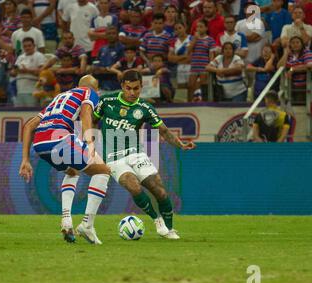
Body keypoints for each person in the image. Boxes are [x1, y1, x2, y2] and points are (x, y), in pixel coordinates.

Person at [93, 70, 196, 239]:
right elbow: (91, 121)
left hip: (136, 153)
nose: (132, 93)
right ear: (122, 87)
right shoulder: (106, 101)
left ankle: (170, 229)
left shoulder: (145, 107)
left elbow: (163, 130)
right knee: (133, 185)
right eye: (128, 88)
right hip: (113, 157)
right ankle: (157, 221)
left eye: (136, 89)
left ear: (141, 87)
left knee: (160, 191)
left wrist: (181, 145)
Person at [19, 75, 111, 244]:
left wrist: (25, 159)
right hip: (60, 139)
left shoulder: (58, 97)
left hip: (40, 144)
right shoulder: (89, 92)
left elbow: (29, 126)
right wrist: (89, 141)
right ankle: (87, 225)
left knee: (73, 172)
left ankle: (67, 221)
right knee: (104, 171)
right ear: (95, 89)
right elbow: (86, 113)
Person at [277, 36, 312, 103]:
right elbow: (279, 67)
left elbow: (310, 66)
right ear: (290, 45)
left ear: (302, 44)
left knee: (298, 107)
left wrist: (293, 69)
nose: (295, 44)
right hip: (288, 86)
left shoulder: (307, 52)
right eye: (293, 43)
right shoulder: (290, 54)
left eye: (297, 42)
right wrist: (286, 53)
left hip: (303, 87)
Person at [187, 19, 218, 101]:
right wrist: (194, 39)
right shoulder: (192, 38)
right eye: (197, 27)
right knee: (191, 86)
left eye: (201, 27)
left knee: (202, 86)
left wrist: (210, 65)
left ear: (206, 28)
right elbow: (188, 51)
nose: (199, 29)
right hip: (194, 65)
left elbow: (211, 55)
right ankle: (189, 103)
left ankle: (203, 103)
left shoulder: (210, 40)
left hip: (204, 66)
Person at [11, 37, 46, 106]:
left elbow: (42, 73)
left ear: (34, 46)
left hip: (32, 90)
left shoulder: (39, 56)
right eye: (25, 46)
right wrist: (15, 71)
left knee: (30, 114)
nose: (27, 48)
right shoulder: (20, 57)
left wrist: (27, 70)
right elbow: (13, 73)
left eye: (29, 46)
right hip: (19, 90)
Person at [168, 21, 192, 89]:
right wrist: (184, 56)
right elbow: (170, 58)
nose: (178, 30)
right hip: (179, 69)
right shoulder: (174, 41)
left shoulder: (191, 39)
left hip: (191, 68)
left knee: (192, 90)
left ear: (185, 28)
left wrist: (176, 58)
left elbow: (191, 57)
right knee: (182, 92)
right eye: (176, 29)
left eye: (180, 28)